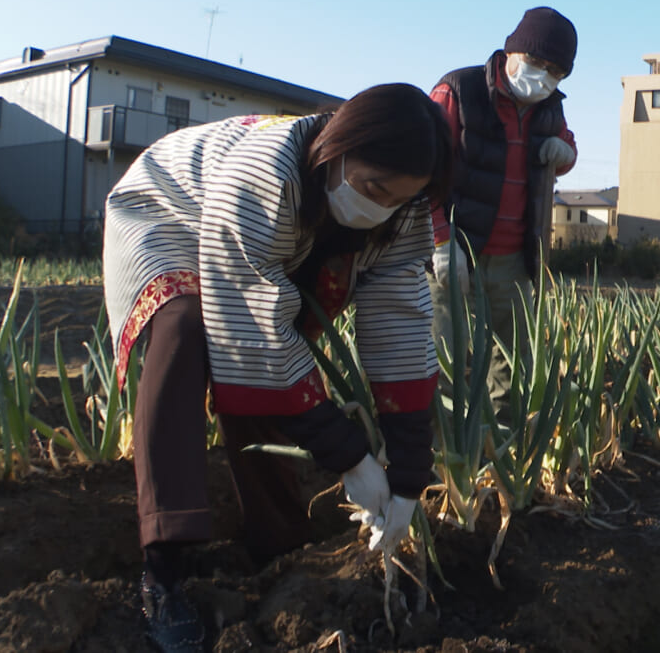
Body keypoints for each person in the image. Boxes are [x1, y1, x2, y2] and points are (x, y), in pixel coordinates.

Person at [102, 83, 452, 652]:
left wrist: (410, 471)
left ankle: (278, 544)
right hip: (170, 210)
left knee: (271, 377)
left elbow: (402, 323)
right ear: (338, 149)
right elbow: (254, 331)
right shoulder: (266, 172)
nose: (381, 206)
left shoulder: (401, 210)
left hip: (275, 238)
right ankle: (163, 567)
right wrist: (350, 458)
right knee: (188, 330)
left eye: (398, 197)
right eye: (372, 188)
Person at [427, 6, 578, 422]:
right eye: (536, 63)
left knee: (510, 366)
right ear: (512, 51)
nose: (543, 77)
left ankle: (499, 457)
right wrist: (440, 241)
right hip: (457, 253)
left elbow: (565, 145)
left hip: (514, 261)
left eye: (556, 72)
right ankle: (440, 467)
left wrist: (565, 154)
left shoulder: (549, 106)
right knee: (444, 362)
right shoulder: (458, 90)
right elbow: (423, 170)